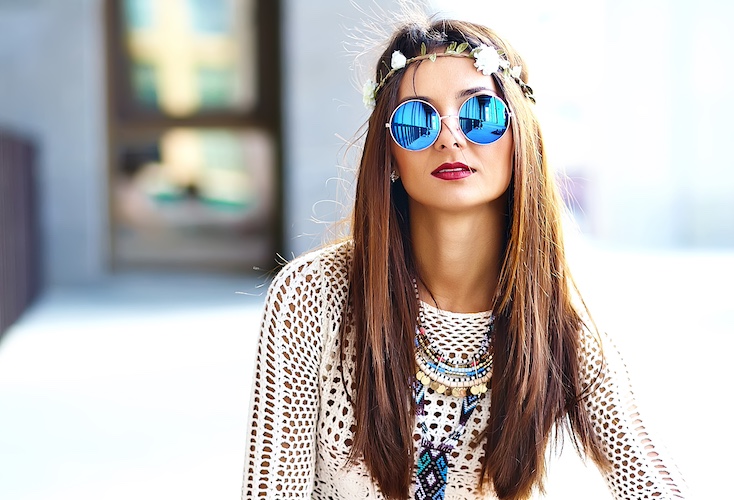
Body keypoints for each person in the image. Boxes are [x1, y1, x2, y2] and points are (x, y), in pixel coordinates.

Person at [241, 16, 687, 500]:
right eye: (417, 120)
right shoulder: (312, 297)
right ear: (389, 154)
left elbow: (653, 481)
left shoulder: (563, 331)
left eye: (479, 113)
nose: (450, 137)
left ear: (521, 137)